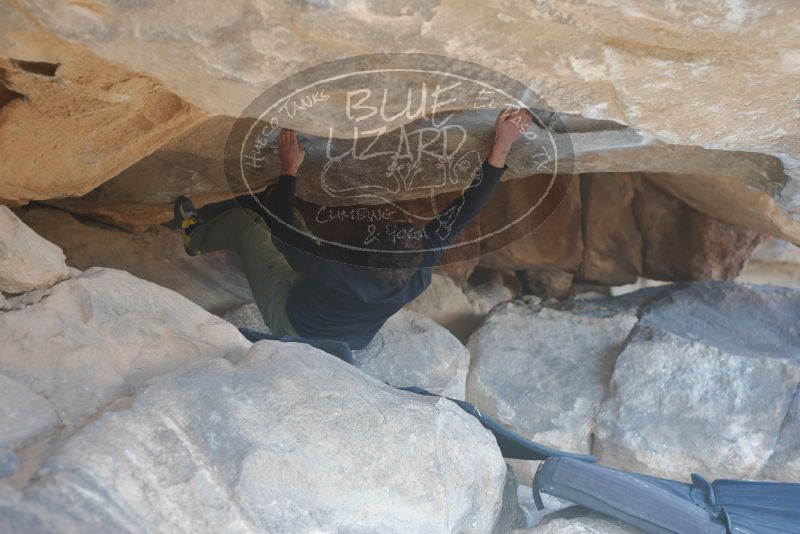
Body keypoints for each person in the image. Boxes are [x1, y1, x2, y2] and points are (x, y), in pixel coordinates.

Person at [175, 108, 532, 350]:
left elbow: (284, 235)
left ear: (370, 250)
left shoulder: (335, 267)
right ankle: (268, 200)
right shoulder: (418, 268)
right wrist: (501, 145)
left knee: (249, 228)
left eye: (397, 226)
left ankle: (193, 236)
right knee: (303, 240)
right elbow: (468, 208)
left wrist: (288, 171)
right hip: (352, 337)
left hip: (295, 321)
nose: (407, 222)